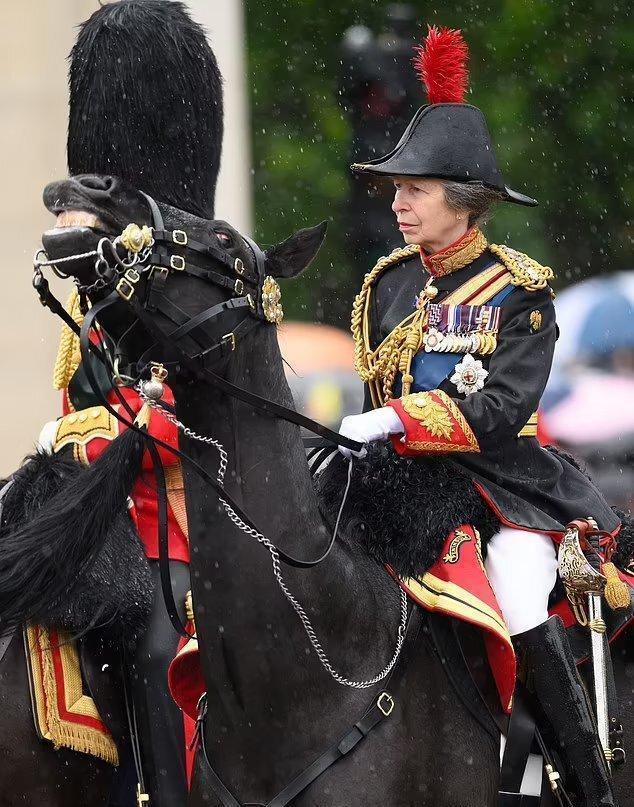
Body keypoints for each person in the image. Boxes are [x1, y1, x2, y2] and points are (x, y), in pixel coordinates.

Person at [339, 26, 629, 807]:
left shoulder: (518, 290)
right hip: (399, 484)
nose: (397, 203)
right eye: (395, 189)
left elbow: (500, 409)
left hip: (504, 485)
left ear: (462, 201)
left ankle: (585, 781)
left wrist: (399, 421)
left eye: (415, 190)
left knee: (521, 587)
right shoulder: (387, 285)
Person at [37, 2, 224, 805]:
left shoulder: (194, 283)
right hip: (99, 505)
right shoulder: (97, 293)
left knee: (154, 635)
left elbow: (185, 414)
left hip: (177, 507)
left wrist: (77, 435)